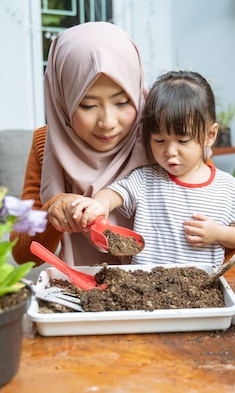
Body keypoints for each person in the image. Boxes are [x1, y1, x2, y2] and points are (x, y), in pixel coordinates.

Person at [70, 70, 235, 267]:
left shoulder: (228, 188)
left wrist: (219, 234)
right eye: (159, 140)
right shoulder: (146, 179)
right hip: (144, 285)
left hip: (200, 288)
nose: (170, 151)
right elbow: (114, 194)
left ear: (210, 135)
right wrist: (100, 205)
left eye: (183, 140)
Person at [10, 21, 150, 267]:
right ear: (62, 101)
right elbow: (23, 255)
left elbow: (227, 229)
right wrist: (54, 210)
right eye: (88, 105)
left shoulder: (164, 139)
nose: (107, 122)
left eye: (122, 102)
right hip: (83, 291)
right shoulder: (46, 145)